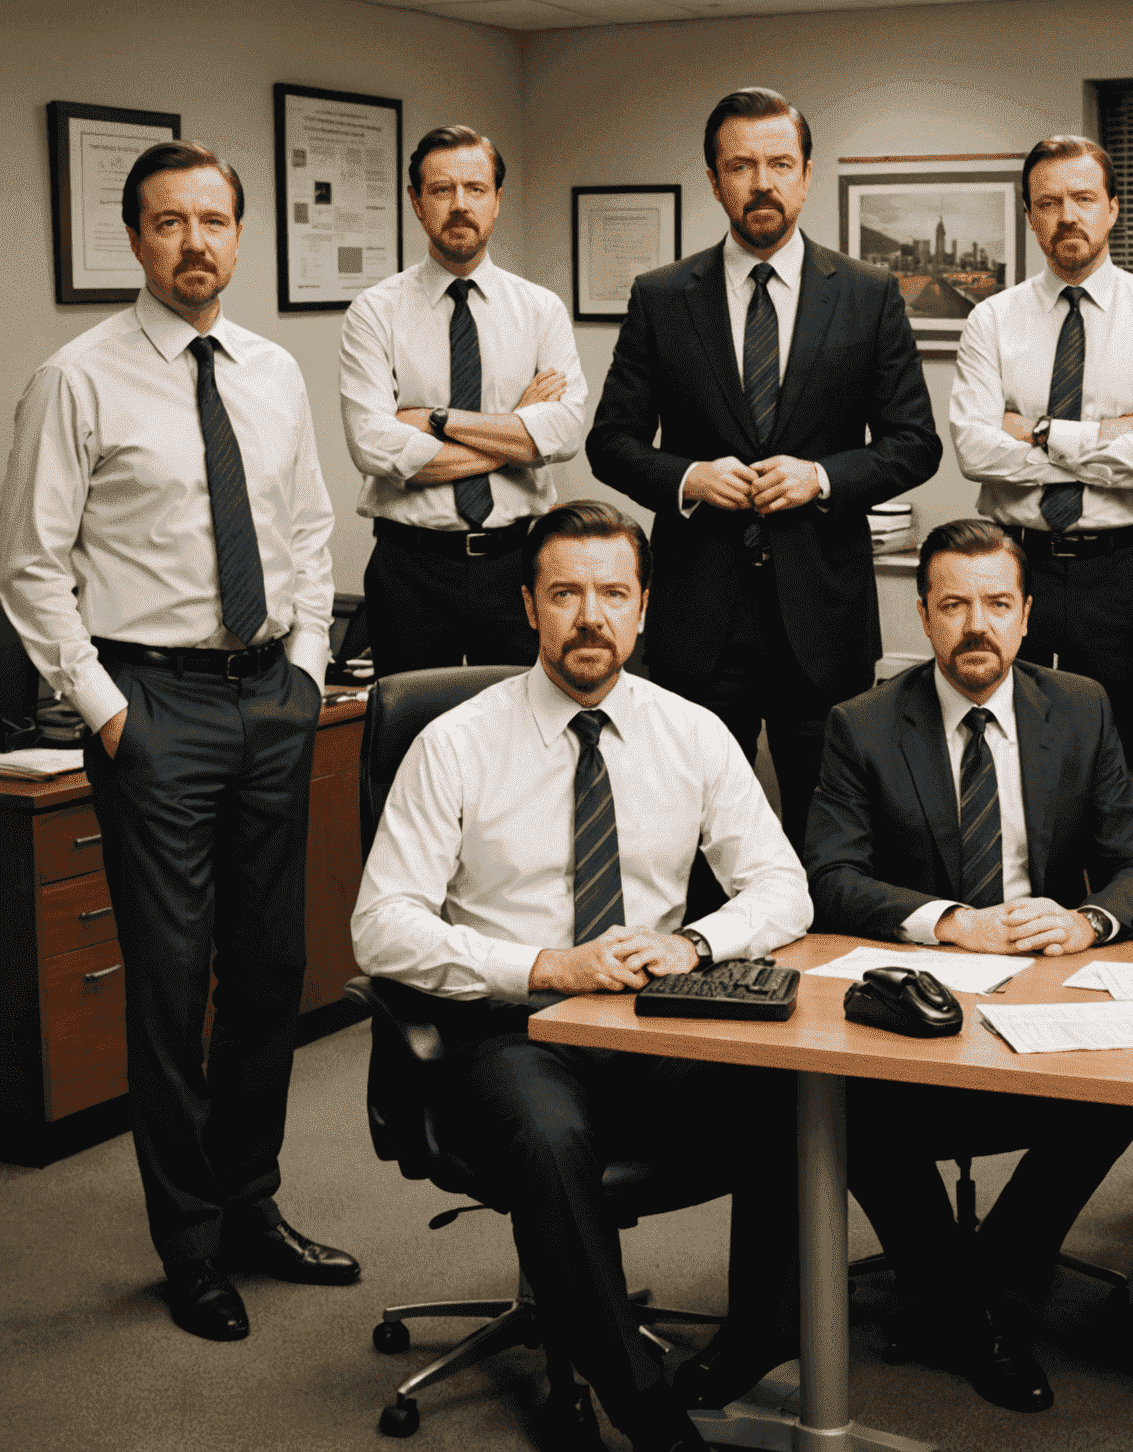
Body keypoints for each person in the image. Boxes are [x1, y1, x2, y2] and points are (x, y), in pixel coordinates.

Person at [352, 501, 810, 1452]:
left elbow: (781, 888)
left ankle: (754, 1338)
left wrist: (697, 945)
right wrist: (542, 965)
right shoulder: (457, 743)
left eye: (612, 594)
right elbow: (382, 926)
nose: (590, 616)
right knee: (553, 1136)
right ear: (528, 606)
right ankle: (643, 1409)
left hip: (653, 1019)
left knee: (793, 1092)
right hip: (510, 1027)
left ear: (645, 609)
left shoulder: (694, 734)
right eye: (566, 593)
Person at [0, 142, 356, 1341]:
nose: (194, 242)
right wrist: (106, 711)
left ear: (240, 235)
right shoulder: (77, 379)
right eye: (168, 222)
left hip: (270, 699)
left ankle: (252, 1206)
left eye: (213, 220)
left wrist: (305, 671)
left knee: (269, 977)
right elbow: (32, 571)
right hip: (154, 708)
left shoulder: (270, 370)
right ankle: (189, 1246)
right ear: (135, 239)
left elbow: (308, 529)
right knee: (170, 987)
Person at [804, 517, 1133, 1415]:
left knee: (1125, 1081)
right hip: (913, 1000)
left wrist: (1085, 921)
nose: (978, 626)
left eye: (997, 604)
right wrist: (950, 923)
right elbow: (829, 877)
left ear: (1028, 612)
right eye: (954, 605)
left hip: (1042, 994)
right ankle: (979, 1316)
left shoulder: (1078, 707)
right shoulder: (863, 724)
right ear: (921, 615)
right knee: (849, 1097)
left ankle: (986, 1280)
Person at [586, 86, 941, 856]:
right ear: (714, 181)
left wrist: (821, 477)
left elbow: (916, 443)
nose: (762, 183)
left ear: (807, 175)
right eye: (741, 166)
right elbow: (610, 442)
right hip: (698, 616)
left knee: (832, 832)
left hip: (823, 616)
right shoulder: (661, 298)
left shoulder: (871, 295)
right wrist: (688, 479)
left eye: (780, 163)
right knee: (688, 832)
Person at [947, 135, 1133, 771]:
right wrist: (1110, 435)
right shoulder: (991, 321)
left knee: (1120, 765)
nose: (1068, 216)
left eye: (1084, 199)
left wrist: (1036, 432)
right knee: (1015, 756)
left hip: (1120, 573)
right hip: (1013, 568)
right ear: (1031, 216)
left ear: (1112, 208)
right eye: (1049, 203)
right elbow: (975, 450)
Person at [339, 124, 586, 676]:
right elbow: (374, 446)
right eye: (441, 190)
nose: (459, 205)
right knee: (412, 737)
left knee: (524, 738)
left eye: (475, 189)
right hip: (411, 567)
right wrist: (516, 437)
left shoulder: (540, 310)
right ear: (416, 202)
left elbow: (565, 432)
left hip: (517, 563)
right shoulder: (375, 313)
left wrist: (436, 421)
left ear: (497, 200)